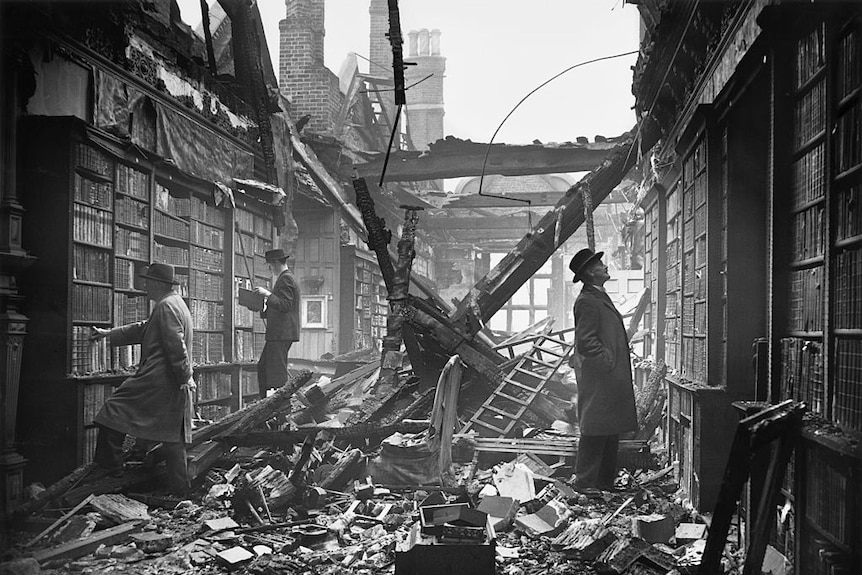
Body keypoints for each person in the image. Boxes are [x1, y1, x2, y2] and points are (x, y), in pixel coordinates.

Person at [90, 262, 195, 495]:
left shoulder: (166, 306)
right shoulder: (174, 303)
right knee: (173, 436)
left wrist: (185, 376)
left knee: (113, 409)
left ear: (158, 284)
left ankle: (111, 467)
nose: (145, 285)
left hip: (158, 381)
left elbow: (176, 346)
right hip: (170, 382)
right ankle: (182, 492)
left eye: (148, 281)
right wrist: (109, 333)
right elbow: (145, 328)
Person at [568, 248, 637, 496]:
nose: (605, 266)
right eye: (600, 264)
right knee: (595, 428)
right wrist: (607, 362)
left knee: (609, 428)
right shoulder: (587, 301)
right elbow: (586, 341)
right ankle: (585, 482)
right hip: (600, 376)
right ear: (589, 272)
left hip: (608, 375)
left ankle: (604, 482)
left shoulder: (598, 296)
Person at [253, 248, 300, 399]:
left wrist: (267, 294)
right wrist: (263, 307)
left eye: (270, 265)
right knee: (264, 368)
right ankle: (266, 403)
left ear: (275, 263)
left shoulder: (286, 279)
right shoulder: (286, 278)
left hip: (281, 333)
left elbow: (285, 305)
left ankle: (279, 408)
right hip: (279, 333)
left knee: (276, 374)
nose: (270, 268)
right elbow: (281, 305)